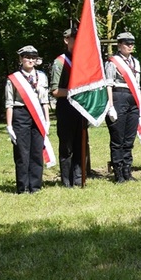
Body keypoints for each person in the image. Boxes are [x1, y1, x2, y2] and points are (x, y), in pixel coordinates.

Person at [5, 45, 51, 193]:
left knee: (37, 151)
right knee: (22, 152)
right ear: (20, 59)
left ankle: (35, 186)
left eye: (33, 58)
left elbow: (44, 101)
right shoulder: (14, 79)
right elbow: (9, 103)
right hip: (21, 114)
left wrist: (47, 120)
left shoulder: (42, 76)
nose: (30, 60)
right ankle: (23, 187)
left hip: (38, 115)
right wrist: (9, 125)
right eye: (27, 57)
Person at [106, 31, 141, 182]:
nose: (130, 46)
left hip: (133, 98)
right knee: (117, 138)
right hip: (118, 96)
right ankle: (118, 172)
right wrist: (110, 106)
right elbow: (108, 84)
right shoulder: (112, 62)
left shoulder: (136, 62)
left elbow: (138, 84)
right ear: (119, 45)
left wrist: (140, 105)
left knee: (129, 138)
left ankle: (128, 170)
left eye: (132, 43)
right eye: (126, 43)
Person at [50, 28, 84, 187]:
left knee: (80, 144)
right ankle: (66, 180)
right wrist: (73, 91)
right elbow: (55, 90)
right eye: (74, 37)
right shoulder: (60, 62)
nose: (77, 40)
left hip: (82, 107)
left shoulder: (83, 60)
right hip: (66, 107)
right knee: (67, 146)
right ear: (66, 40)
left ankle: (78, 178)